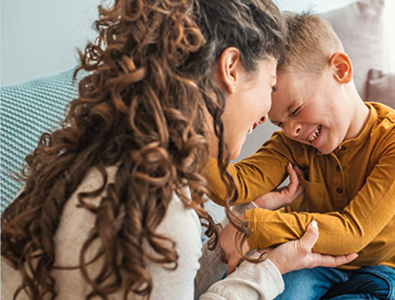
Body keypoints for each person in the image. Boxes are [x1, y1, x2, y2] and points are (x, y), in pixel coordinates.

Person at [0, 2, 358, 299]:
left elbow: (168, 282)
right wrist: (271, 270)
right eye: (271, 84)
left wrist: (233, 231)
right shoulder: (153, 203)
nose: (267, 113)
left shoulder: (116, 156)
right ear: (230, 68)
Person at [204, 12, 395, 300]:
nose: (292, 130)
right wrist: (185, 135)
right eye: (279, 122)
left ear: (340, 69)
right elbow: (231, 186)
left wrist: (252, 226)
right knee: (271, 288)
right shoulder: (291, 142)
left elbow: (352, 232)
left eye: (295, 110)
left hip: (377, 268)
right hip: (305, 258)